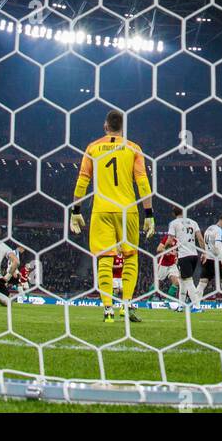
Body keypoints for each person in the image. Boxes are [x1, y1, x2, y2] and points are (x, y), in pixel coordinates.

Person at [67, 109, 154, 325]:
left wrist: (75, 211)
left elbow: (82, 181)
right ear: (123, 128)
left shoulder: (93, 147)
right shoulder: (133, 148)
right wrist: (149, 214)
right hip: (128, 210)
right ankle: (126, 304)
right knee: (130, 257)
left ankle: (108, 309)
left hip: (102, 210)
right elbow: (143, 183)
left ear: (106, 126)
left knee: (105, 259)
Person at [166, 207, 204, 312]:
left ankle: (196, 306)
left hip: (184, 256)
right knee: (182, 280)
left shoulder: (174, 223)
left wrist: (165, 248)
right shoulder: (193, 222)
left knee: (188, 281)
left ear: (174, 214)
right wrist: (204, 252)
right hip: (194, 255)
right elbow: (200, 239)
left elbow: (169, 240)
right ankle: (181, 305)